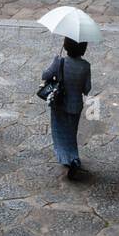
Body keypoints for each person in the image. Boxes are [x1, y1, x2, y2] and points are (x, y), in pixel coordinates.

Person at [42, 37, 92, 179]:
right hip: (75, 106)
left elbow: (44, 75)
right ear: (83, 48)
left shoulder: (60, 62)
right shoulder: (85, 66)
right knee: (71, 133)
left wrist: (54, 61)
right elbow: (87, 89)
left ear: (66, 46)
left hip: (59, 103)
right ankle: (73, 157)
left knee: (59, 131)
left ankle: (68, 159)